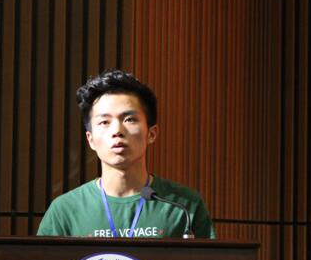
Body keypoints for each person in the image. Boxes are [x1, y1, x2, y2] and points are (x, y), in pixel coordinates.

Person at [37, 70, 216, 239]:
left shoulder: (185, 206)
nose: (117, 131)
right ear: (90, 139)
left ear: (151, 134)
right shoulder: (65, 210)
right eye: (104, 122)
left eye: (129, 119)